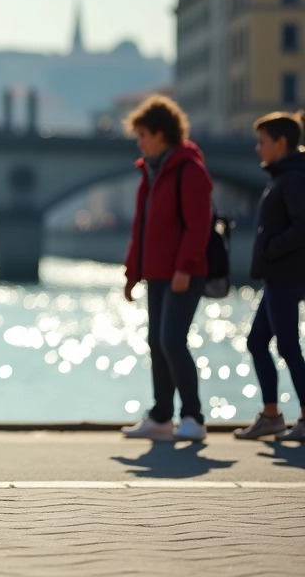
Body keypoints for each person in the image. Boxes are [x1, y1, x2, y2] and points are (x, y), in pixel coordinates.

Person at [120, 94, 214, 441]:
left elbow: (198, 224)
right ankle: (161, 417)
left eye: (143, 134)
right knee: (156, 342)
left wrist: (185, 267)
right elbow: (141, 228)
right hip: (157, 272)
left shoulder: (189, 170)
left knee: (172, 341)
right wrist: (132, 275)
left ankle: (193, 417)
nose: (139, 142)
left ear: (161, 133)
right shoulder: (151, 173)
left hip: (183, 272)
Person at [234, 111, 305, 441]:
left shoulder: (291, 178)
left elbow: (302, 225)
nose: (257, 149)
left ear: (282, 143)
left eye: (262, 142)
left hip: (286, 275)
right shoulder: (282, 176)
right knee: (257, 342)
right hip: (278, 275)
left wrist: (271, 249)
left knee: (289, 346)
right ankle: (272, 415)